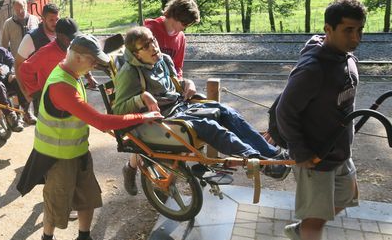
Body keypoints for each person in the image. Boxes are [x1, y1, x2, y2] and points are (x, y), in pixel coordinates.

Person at [17, 34, 162, 240]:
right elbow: (101, 122)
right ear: (77, 57)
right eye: (92, 61)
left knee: (88, 197)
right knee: (57, 202)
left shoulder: (73, 72)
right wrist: (143, 116)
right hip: (57, 156)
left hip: (76, 149)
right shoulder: (62, 86)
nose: (96, 65)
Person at [113, 26, 289, 195]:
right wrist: (142, 97)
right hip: (160, 119)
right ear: (136, 54)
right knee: (208, 126)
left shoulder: (164, 60)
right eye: (146, 46)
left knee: (225, 111)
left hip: (181, 107)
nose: (154, 47)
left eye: (153, 40)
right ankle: (261, 163)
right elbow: (118, 110)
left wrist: (187, 83)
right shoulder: (129, 73)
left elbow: (173, 85)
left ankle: (272, 155)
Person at [276, 0, 367, 240]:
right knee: (317, 216)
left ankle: (302, 231)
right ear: (329, 29)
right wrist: (301, 153)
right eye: (348, 30)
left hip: (341, 151)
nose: (356, 38)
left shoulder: (345, 56)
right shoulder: (313, 69)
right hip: (316, 157)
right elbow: (285, 112)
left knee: (345, 197)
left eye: (360, 31)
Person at [17, 18, 97, 110]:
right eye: (70, 39)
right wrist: (37, 92)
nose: (73, 42)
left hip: (69, 96)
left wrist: (89, 77)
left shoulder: (73, 48)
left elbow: (82, 61)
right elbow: (24, 70)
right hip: (51, 103)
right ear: (60, 36)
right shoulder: (46, 52)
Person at [15, 3, 60, 122]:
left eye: (57, 19)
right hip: (42, 94)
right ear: (43, 19)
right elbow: (18, 65)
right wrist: (25, 91)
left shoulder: (62, 34)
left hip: (61, 90)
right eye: (51, 20)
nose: (55, 23)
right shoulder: (31, 38)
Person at [1, 0, 40, 124]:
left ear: (26, 6)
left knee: (35, 85)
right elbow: (4, 45)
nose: (19, 12)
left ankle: (36, 112)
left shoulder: (34, 20)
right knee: (20, 86)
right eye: (16, 10)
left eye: (21, 9)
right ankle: (25, 112)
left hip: (34, 60)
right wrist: (8, 64)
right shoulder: (8, 23)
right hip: (18, 61)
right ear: (13, 9)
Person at [144, 0, 200, 78]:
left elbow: (177, 67)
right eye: (184, 24)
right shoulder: (149, 31)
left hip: (169, 83)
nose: (184, 28)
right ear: (176, 16)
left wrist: (179, 83)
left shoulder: (181, 38)